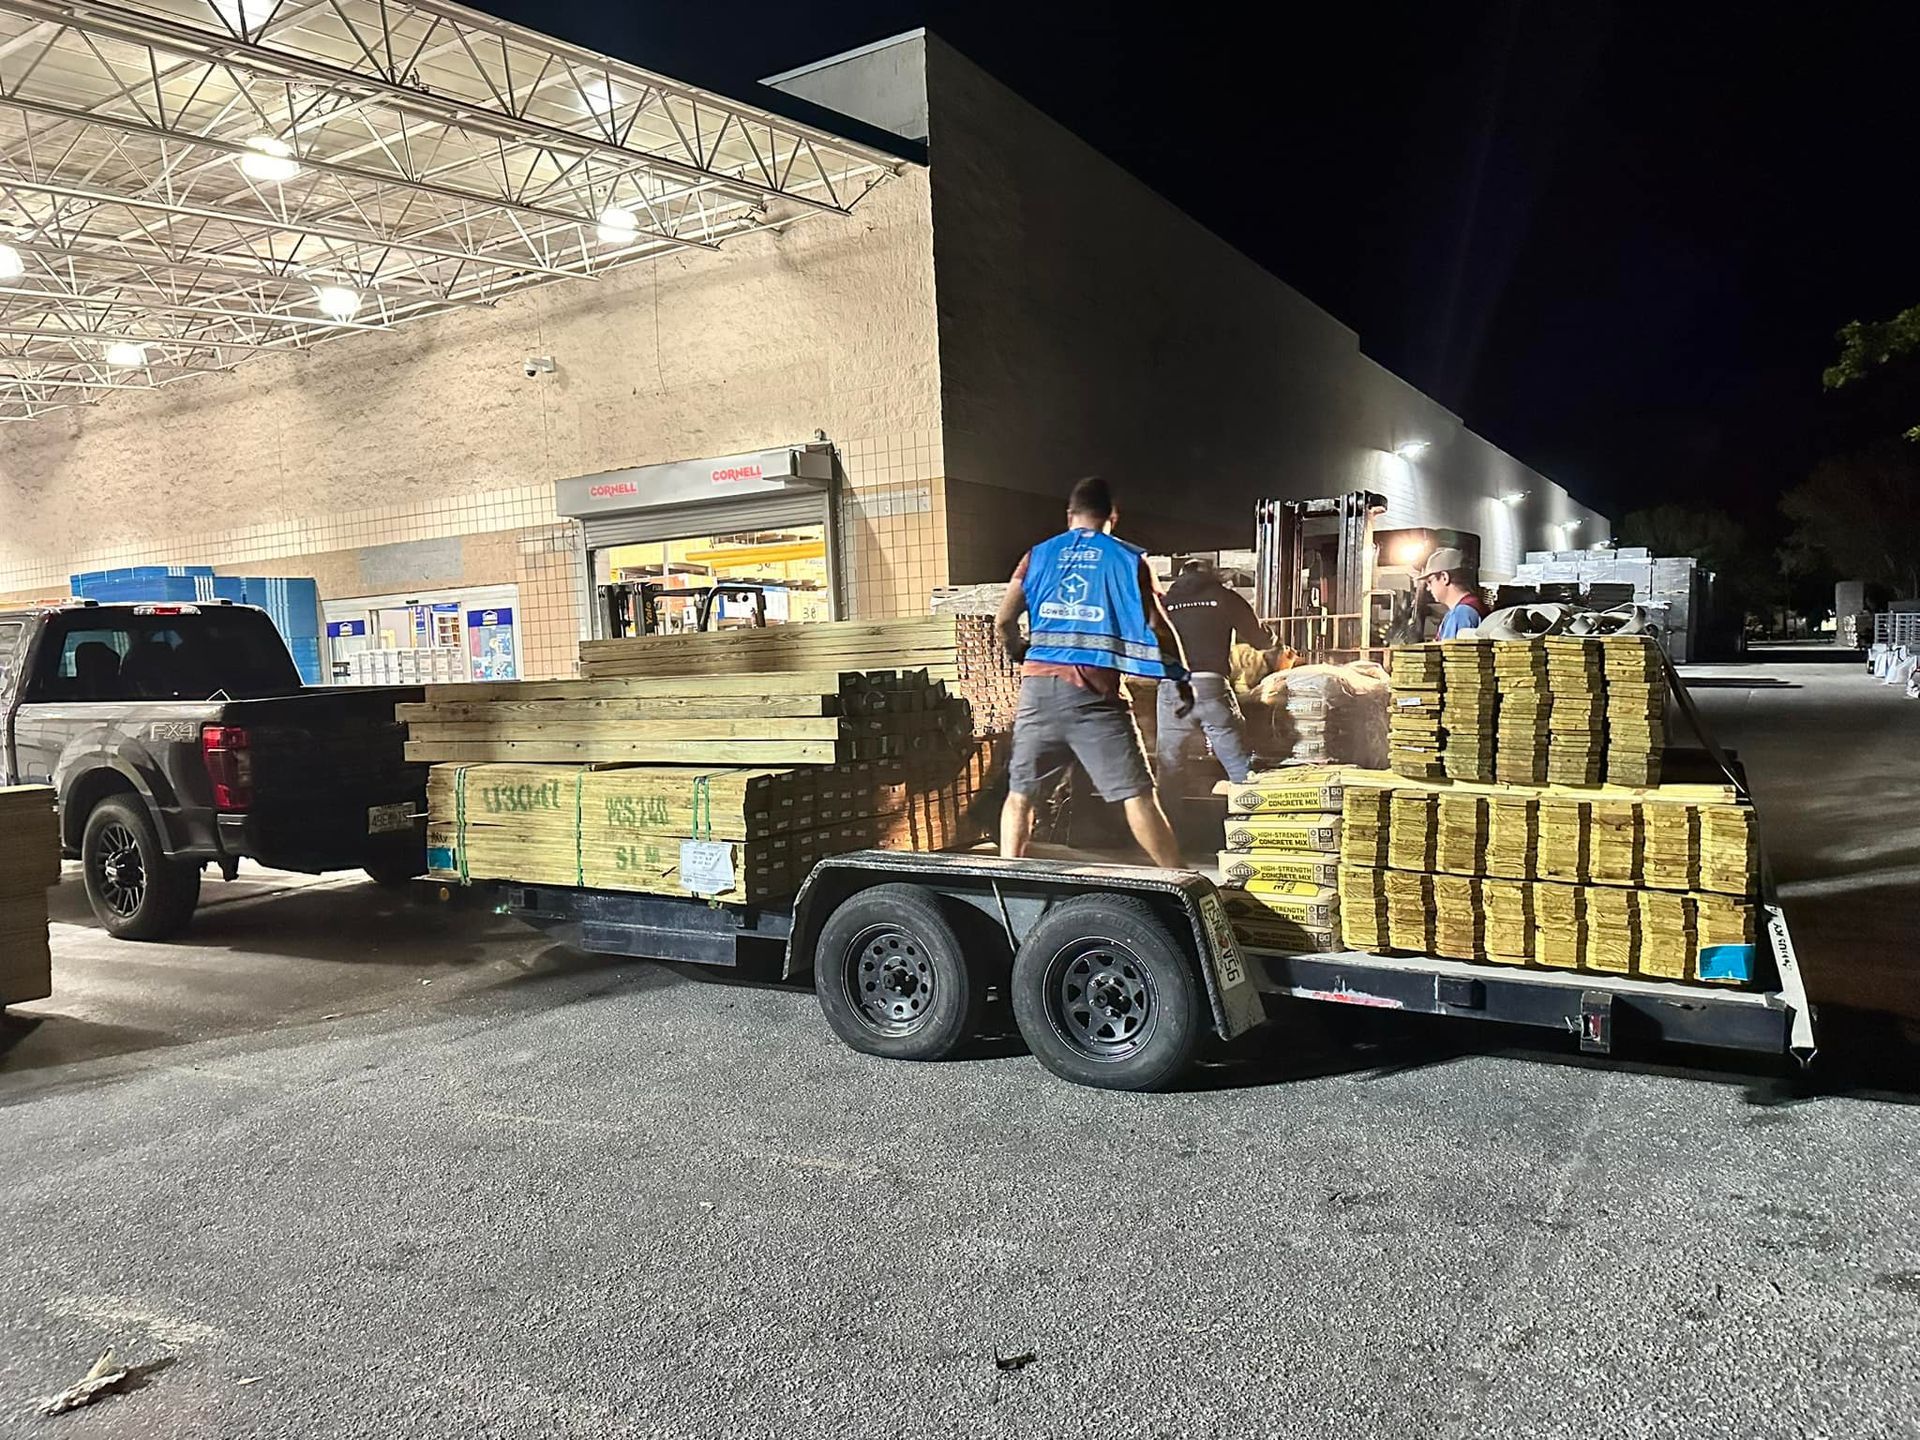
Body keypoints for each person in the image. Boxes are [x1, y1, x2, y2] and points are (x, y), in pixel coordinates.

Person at [996, 476, 1192, 868]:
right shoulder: (1126, 559)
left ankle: (1007, 879)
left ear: (1069, 515)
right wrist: (1180, 676)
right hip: (1096, 700)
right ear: (1112, 517)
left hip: (1039, 693)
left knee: (1020, 794)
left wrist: (1020, 650)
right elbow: (1156, 626)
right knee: (1137, 795)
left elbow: (1003, 622)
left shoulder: (1037, 555)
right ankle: (1181, 882)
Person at [1157, 558, 1266, 784]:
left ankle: (1170, 816)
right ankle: (1244, 807)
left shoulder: (1165, 603)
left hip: (1172, 685)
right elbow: (1259, 638)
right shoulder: (1225, 598)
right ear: (1212, 574)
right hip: (1211, 684)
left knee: (1169, 767)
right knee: (1237, 762)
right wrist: (1274, 643)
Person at [1415, 547, 1487, 640]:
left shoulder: (1462, 613)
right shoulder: (1473, 606)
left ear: (1445, 577)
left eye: (1430, 582)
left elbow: (1451, 653)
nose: (1428, 588)